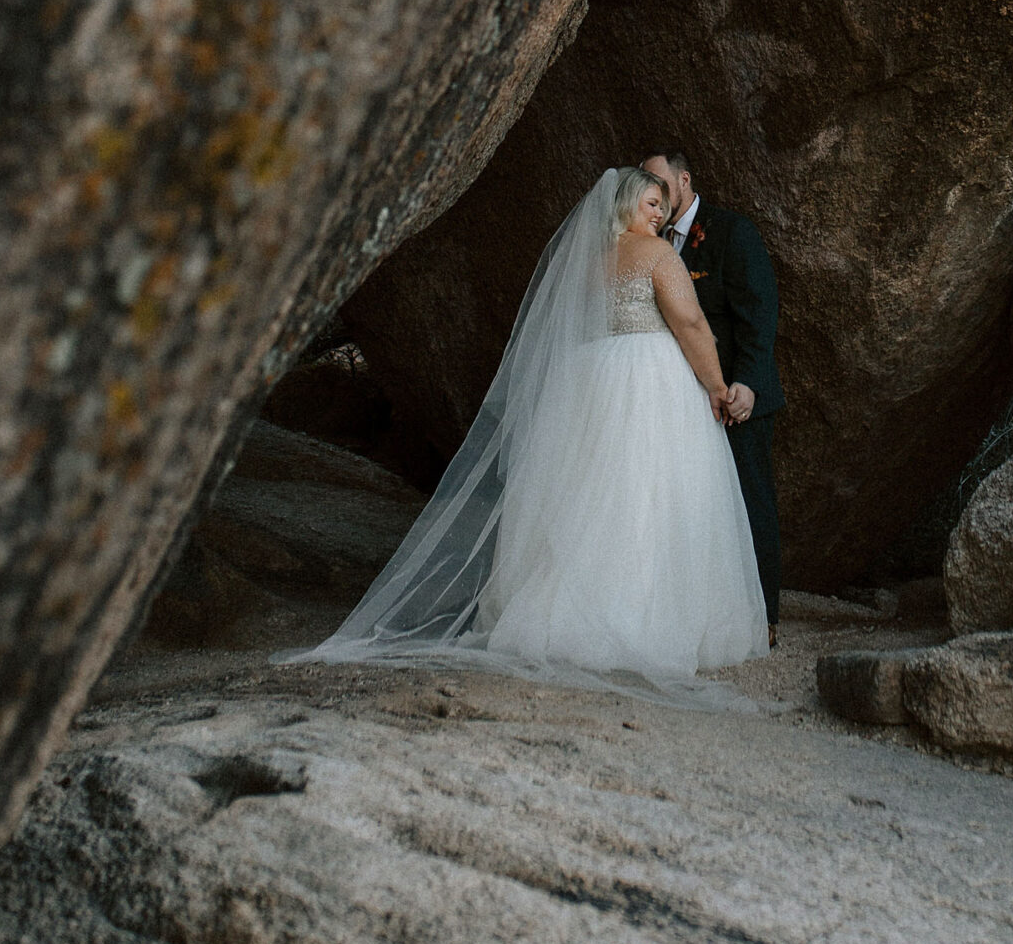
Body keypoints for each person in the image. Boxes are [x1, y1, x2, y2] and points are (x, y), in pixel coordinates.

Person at [287, 168, 768, 693]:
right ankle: (646, 620)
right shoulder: (657, 255)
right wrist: (718, 386)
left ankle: (565, 613)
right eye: (651, 203)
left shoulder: (589, 262)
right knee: (649, 493)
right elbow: (692, 325)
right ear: (627, 204)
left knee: (589, 496)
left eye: (662, 205)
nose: (660, 214)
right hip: (649, 379)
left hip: (591, 379)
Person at [642, 150, 784, 645]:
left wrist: (747, 383)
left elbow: (759, 312)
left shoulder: (731, 233)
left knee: (749, 503)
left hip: (735, 400)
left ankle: (764, 617)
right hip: (681, 404)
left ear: (684, 179)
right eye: (645, 184)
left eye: (659, 181)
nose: (653, 192)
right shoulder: (646, 240)